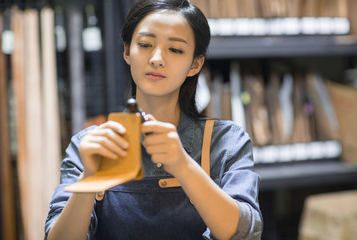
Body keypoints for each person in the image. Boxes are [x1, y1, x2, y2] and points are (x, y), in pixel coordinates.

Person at [45, 0, 262, 239]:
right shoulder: (89, 144)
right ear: (127, 51)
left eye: (175, 49)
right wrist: (89, 178)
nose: (157, 58)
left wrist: (183, 165)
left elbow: (246, 233)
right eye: (145, 44)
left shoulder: (226, 142)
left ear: (195, 64)